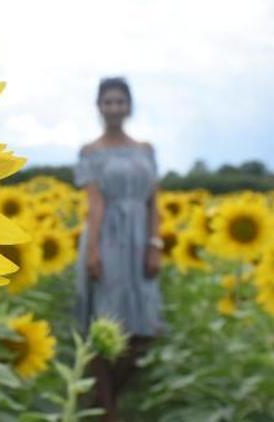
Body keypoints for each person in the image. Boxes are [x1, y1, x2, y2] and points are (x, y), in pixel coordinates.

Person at [74, 77, 164, 421]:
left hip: (140, 240)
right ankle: (108, 410)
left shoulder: (146, 150)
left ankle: (105, 397)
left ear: (129, 106)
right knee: (105, 321)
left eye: (119, 101)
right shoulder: (90, 152)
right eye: (107, 102)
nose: (114, 107)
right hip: (106, 240)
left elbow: (154, 200)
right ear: (99, 107)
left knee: (142, 331)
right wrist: (93, 250)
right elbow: (94, 204)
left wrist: (155, 244)